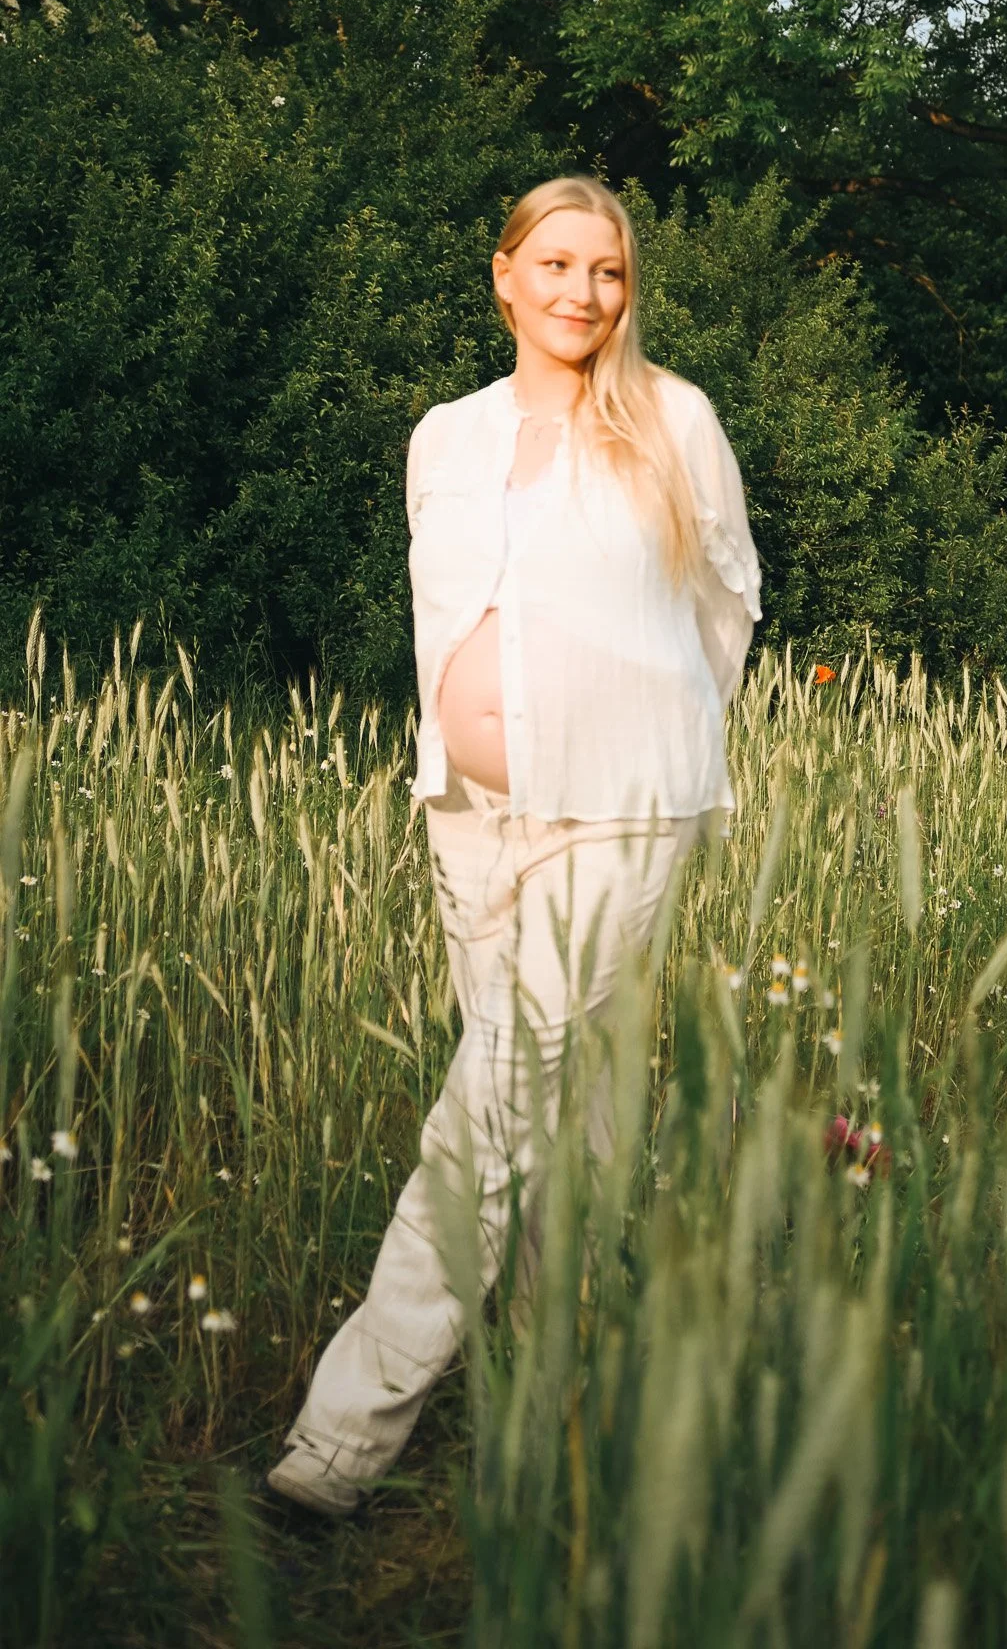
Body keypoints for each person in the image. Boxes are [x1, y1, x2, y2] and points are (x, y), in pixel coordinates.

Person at [266, 176, 761, 1517]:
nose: (583, 294)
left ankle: (340, 1443)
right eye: (557, 265)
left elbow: (729, 604)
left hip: (621, 806)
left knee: (487, 1107)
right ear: (504, 275)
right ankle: (564, 1383)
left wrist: (646, 732)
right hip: (472, 814)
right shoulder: (447, 435)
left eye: (607, 271)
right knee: (568, 1102)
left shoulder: (675, 420)